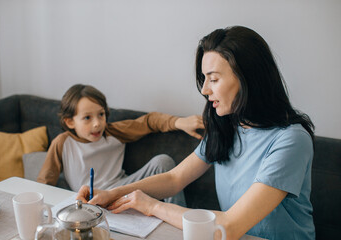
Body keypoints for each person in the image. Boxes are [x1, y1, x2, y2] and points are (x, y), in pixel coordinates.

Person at [76, 26, 315, 240]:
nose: (204, 89)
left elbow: (230, 226)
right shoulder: (227, 127)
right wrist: (114, 193)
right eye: (204, 79)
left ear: (247, 79)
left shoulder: (291, 140)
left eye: (213, 79)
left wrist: (151, 206)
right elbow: (174, 178)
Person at [37, 84, 204, 206]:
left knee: (163, 162)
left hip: (121, 190)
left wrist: (179, 122)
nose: (97, 124)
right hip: (87, 202)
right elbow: (44, 182)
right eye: (87, 118)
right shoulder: (62, 143)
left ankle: (178, 220)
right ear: (70, 121)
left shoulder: (113, 132)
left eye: (101, 115)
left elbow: (148, 121)